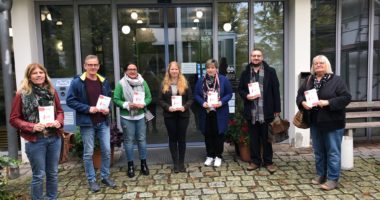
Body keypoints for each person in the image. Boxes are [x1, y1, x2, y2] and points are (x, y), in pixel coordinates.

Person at [296, 55, 351, 190]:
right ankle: (321, 174)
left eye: (321, 63)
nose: (318, 65)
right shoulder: (309, 80)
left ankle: (332, 179)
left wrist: (328, 102)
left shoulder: (336, 80)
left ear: (327, 65)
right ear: (313, 66)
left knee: (333, 151)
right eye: (316, 63)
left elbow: (346, 98)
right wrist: (302, 102)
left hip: (332, 122)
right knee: (319, 150)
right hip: (315, 121)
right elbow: (300, 95)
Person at [10, 63, 64, 199]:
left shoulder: (51, 91)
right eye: (35, 73)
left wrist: (59, 121)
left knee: (53, 173)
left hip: (54, 138)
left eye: (41, 72)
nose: (39, 75)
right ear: (29, 76)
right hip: (35, 141)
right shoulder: (22, 94)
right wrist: (32, 126)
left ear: (45, 75)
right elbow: (14, 119)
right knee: (39, 175)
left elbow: (59, 111)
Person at [66, 55, 116, 192]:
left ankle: (105, 177)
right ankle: (92, 180)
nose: (93, 67)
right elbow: (70, 101)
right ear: (85, 66)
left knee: (106, 150)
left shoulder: (103, 81)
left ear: (98, 66)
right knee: (88, 152)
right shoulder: (77, 82)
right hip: (87, 123)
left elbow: (109, 99)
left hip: (103, 122)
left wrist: (108, 109)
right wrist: (88, 109)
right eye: (90, 65)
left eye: (95, 65)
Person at [238, 49, 281, 173]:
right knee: (254, 138)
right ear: (251, 57)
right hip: (251, 111)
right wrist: (246, 96)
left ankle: (268, 162)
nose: (256, 58)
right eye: (254, 56)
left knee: (266, 138)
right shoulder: (245, 72)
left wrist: (277, 109)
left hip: (266, 111)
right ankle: (255, 161)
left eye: (258, 56)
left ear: (262, 57)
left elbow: (276, 91)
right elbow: (240, 89)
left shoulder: (270, 71)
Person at [113, 63, 152, 178]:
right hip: (127, 117)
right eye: (130, 69)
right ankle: (130, 165)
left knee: (141, 140)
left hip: (140, 116)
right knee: (129, 141)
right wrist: (127, 104)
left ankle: (143, 164)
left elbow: (149, 97)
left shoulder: (142, 82)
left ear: (137, 70)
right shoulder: (121, 84)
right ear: (126, 71)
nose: (132, 71)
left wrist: (143, 103)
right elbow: (116, 99)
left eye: (134, 69)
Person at [194, 59, 233, 167]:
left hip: (219, 112)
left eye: (213, 67)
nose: (210, 69)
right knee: (208, 134)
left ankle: (218, 156)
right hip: (206, 112)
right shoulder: (201, 80)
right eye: (208, 67)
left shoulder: (223, 80)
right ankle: (210, 155)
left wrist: (221, 102)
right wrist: (202, 103)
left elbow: (229, 94)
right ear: (206, 69)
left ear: (216, 69)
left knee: (219, 134)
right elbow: (196, 95)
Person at [158, 61, 193, 173]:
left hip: (183, 115)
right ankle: (175, 164)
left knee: (182, 139)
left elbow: (191, 99)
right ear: (169, 71)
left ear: (179, 70)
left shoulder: (185, 82)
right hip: (170, 115)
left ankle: (181, 163)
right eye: (172, 69)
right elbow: (160, 100)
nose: (174, 71)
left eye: (176, 69)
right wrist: (168, 107)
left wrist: (185, 107)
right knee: (172, 139)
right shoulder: (164, 84)